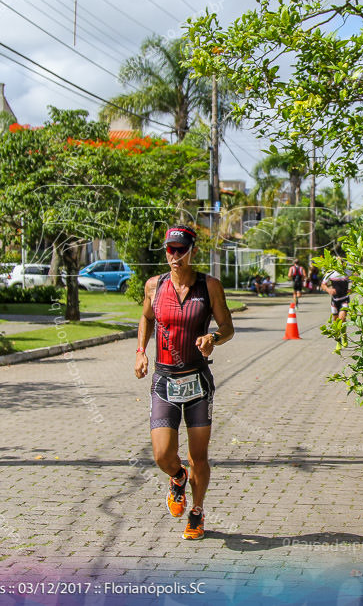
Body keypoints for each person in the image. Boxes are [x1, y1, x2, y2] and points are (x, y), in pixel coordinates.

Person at [135, 225, 235, 540]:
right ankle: (177, 479)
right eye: (170, 250)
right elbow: (147, 318)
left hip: (197, 380)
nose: (175, 256)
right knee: (163, 454)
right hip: (164, 378)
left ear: (192, 251)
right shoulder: (154, 285)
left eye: (181, 250)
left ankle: (197, 511)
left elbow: (227, 325)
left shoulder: (210, 286)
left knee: (198, 456)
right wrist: (140, 351)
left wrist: (213, 338)